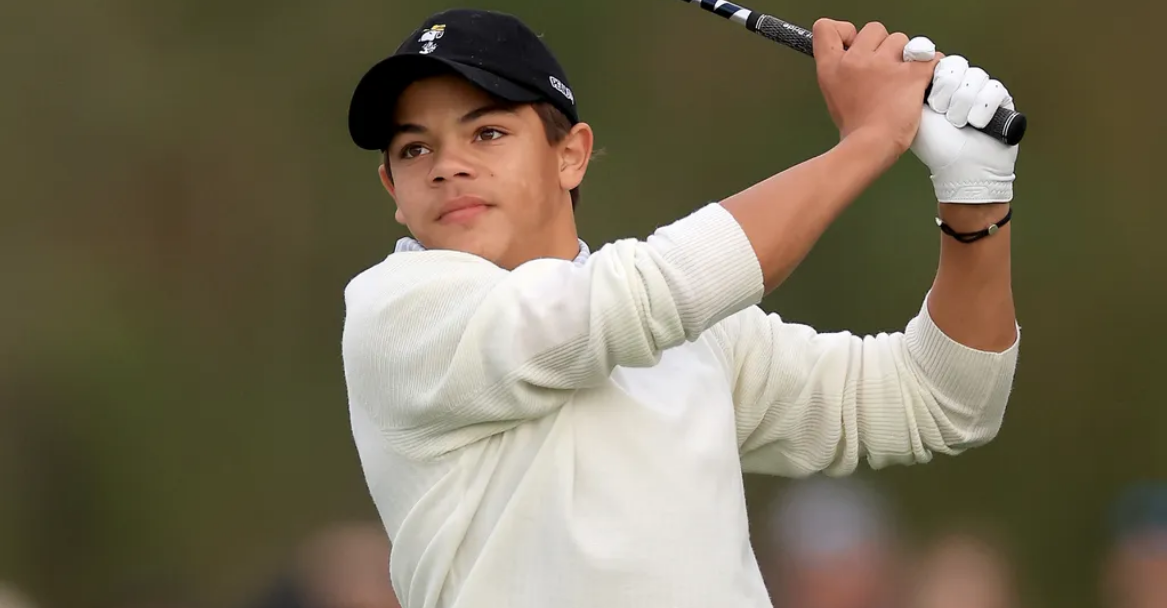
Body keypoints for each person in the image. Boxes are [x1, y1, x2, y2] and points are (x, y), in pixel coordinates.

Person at [340, 7, 1022, 607]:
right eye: (413, 148)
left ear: (570, 155)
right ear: (392, 190)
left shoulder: (694, 335)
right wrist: (869, 141)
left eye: (485, 133)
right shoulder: (396, 312)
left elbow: (941, 399)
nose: (445, 165)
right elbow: (645, 295)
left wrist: (975, 195)